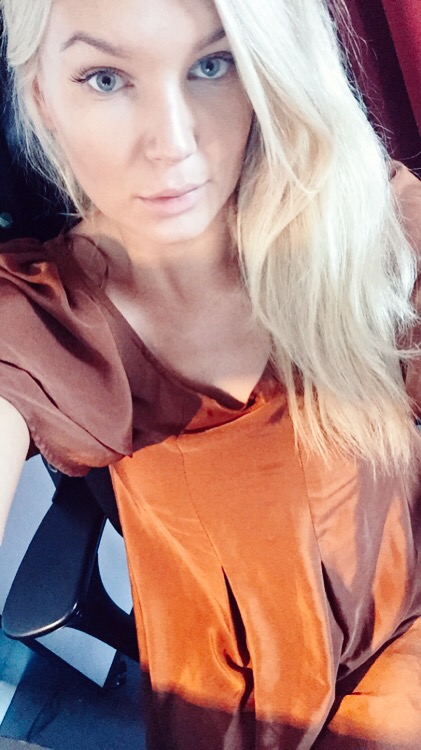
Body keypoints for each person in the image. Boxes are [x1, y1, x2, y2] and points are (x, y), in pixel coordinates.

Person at [0, 0, 420, 747]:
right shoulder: (41, 322)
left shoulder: (360, 215)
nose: (173, 143)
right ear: (41, 95)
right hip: (251, 710)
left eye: (211, 64)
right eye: (105, 78)